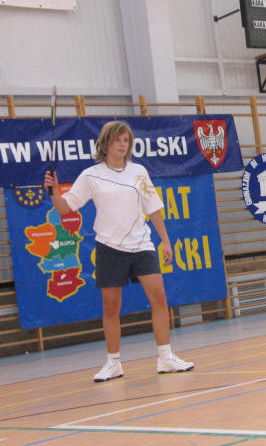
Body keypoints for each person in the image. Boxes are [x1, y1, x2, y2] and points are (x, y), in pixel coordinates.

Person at [44, 120, 194, 381]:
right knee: (111, 307)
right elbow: (65, 208)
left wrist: (165, 240)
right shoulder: (91, 176)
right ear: (105, 144)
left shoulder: (139, 172)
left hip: (142, 245)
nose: (122, 145)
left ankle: (166, 357)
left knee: (159, 297)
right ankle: (113, 363)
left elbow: (153, 207)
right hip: (109, 247)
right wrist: (54, 192)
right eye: (117, 140)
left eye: (126, 140)